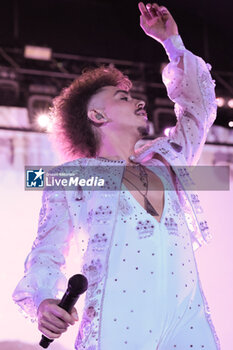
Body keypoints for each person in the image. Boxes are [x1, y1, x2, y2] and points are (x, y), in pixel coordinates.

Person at [13, 2, 221, 349]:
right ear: (96, 115)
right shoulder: (73, 178)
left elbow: (199, 109)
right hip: (117, 329)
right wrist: (43, 302)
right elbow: (46, 253)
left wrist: (173, 43)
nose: (139, 103)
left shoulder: (167, 161)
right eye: (124, 97)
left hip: (188, 326)